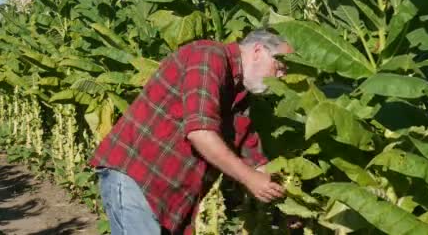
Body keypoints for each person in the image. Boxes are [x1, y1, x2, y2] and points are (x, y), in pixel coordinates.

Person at [89, 30, 292, 234]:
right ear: (258, 51)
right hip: (139, 178)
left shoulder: (239, 92)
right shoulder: (208, 56)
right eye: (280, 67)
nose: (281, 78)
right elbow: (200, 132)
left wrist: (289, 202)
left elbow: (252, 155)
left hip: (168, 194)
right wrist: (249, 178)